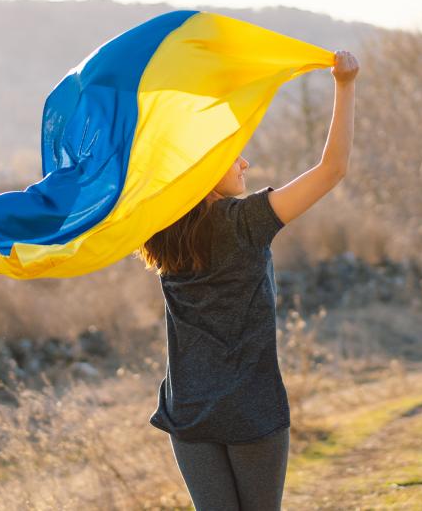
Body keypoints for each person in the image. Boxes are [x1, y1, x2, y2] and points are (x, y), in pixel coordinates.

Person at [136, 50, 358, 510]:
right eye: (233, 155)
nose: (245, 164)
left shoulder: (157, 229)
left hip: (190, 411)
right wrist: (345, 85)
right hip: (251, 410)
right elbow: (332, 169)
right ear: (204, 171)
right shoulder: (247, 221)